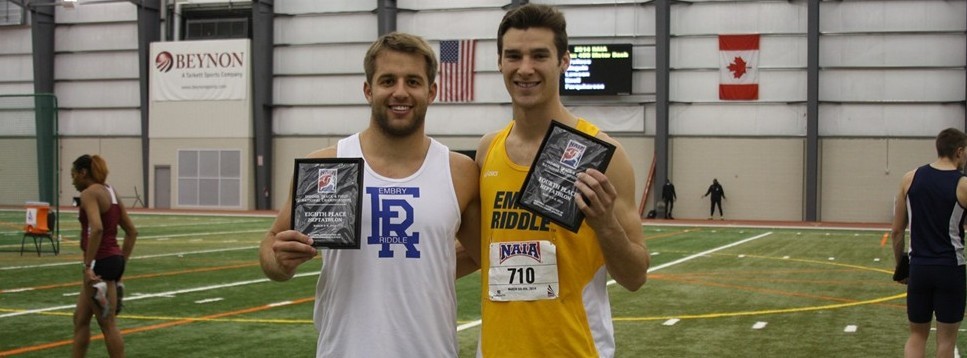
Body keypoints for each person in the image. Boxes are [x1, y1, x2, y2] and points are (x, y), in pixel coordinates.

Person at [259, 32, 480, 357]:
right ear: (368, 89)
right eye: (388, 80)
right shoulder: (328, 165)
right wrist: (279, 262)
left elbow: (486, 254)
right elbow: (272, 243)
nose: (400, 92)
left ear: (431, 92)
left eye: (413, 82)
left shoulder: (459, 171)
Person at [474, 4, 649, 357]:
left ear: (563, 61)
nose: (525, 69)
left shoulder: (604, 154)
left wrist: (605, 224)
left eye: (539, 55)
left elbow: (635, 277)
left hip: (574, 349)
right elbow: (475, 248)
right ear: (499, 62)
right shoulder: (487, 150)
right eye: (514, 56)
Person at [890, 127, 967, 358]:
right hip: (950, 268)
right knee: (946, 341)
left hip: (919, 268)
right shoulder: (962, 184)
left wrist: (901, 266)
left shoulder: (910, 178)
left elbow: (896, 231)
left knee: (916, 336)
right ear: (959, 151)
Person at [70, 154, 138, 357]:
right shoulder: (111, 192)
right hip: (113, 260)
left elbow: (97, 228)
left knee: (108, 325)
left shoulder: (89, 194)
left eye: (73, 175)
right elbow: (132, 232)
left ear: (83, 173)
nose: (72, 180)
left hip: (99, 264)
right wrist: (121, 264)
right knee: (80, 318)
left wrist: (88, 265)